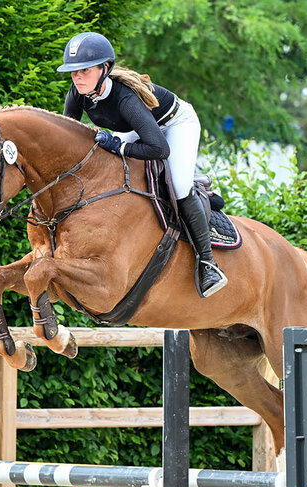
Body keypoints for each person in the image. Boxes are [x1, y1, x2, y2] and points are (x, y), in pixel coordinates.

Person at [58, 31, 228, 299]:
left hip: (174, 124)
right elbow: (67, 136)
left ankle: (208, 263)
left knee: (179, 186)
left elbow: (159, 149)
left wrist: (119, 146)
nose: (77, 77)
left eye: (85, 70)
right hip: (136, 127)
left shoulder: (125, 99)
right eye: (73, 71)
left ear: (105, 69)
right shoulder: (78, 93)